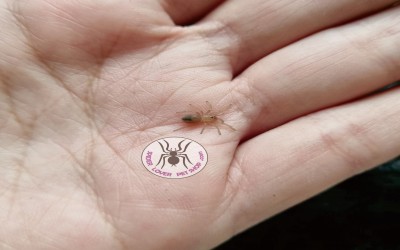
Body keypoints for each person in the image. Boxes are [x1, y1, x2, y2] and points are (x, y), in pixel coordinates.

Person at [0, 0, 399, 249]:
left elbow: (202, 120)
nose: (212, 120)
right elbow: (199, 120)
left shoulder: (206, 120)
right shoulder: (204, 120)